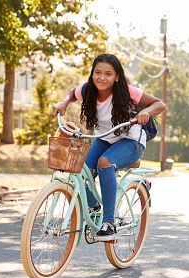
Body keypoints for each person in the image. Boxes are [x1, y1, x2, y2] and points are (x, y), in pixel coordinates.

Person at [52, 54, 166, 241]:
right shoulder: (89, 89)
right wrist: (63, 102)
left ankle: (109, 223)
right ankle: (94, 206)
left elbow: (159, 104)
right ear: (92, 73)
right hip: (105, 138)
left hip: (131, 141)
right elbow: (73, 93)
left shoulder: (128, 92)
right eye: (97, 72)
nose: (102, 78)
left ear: (117, 77)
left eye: (108, 74)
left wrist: (145, 112)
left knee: (104, 162)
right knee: (81, 170)